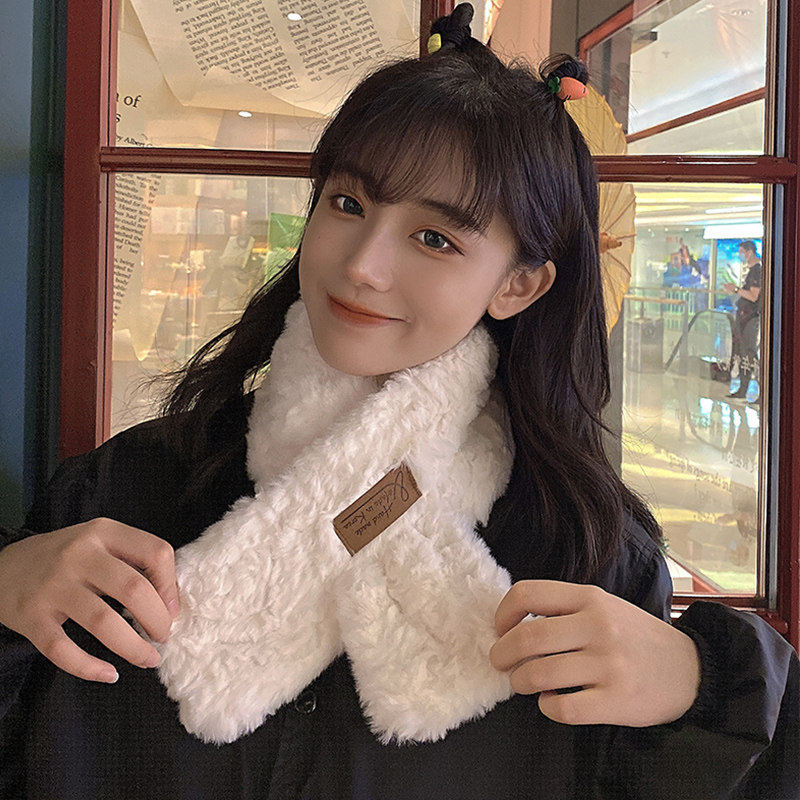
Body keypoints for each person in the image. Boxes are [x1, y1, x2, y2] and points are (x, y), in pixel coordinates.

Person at [0, 5, 797, 798]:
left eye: (435, 238)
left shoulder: (584, 561)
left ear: (519, 285)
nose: (362, 265)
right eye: (348, 203)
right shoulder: (126, 494)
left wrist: (699, 686)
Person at [723, 239, 762, 400]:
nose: (740, 256)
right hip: (744, 318)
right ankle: (743, 389)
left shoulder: (757, 271)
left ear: (749, 252)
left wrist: (736, 290)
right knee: (744, 353)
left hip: (750, 318)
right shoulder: (751, 270)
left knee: (749, 354)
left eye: (741, 252)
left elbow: (754, 296)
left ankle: (759, 388)